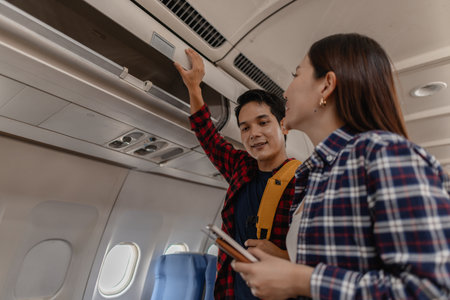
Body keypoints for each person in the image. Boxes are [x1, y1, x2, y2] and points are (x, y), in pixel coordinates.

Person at [232, 33, 450, 299]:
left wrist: (303, 280)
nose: (286, 91)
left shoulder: (383, 154)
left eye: (296, 75)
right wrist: (287, 270)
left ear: (326, 86)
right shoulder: (313, 174)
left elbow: (433, 289)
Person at [174, 49, 299, 300]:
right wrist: (194, 87)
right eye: (245, 128)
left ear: (283, 125)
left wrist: (285, 256)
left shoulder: (304, 182)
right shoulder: (241, 167)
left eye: (263, 123)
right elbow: (208, 136)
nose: (254, 134)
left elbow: (330, 260)